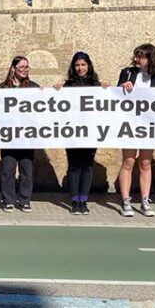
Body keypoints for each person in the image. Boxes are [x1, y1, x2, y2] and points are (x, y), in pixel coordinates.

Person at [116, 44, 155, 217]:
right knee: (128, 161)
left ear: (150, 58)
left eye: (140, 56)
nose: (137, 59)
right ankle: (126, 200)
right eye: (136, 56)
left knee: (145, 163)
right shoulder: (128, 72)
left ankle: (144, 200)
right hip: (130, 124)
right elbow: (116, 96)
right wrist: (122, 86)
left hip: (149, 126)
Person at [55, 52, 103, 215]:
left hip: (90, 131)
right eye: (77, 65)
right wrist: (57, 90)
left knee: (87, 165)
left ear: (88, 66)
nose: (80, 68)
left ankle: (84, 200)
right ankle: (74, 200)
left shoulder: (96, 85)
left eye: (83, 64)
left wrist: (107, 89)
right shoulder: (67, 85)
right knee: (74, 165)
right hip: (72, 131)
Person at [0, 56, 40, 213]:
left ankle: (24, 200)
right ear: (13, 68)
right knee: (8, 169)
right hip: (8, 136)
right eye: (21, 67)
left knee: (26, 170)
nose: (24, 70)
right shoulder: (2, 88)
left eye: (27, 67)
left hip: (27, 136)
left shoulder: (34, 87)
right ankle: (8, 199)